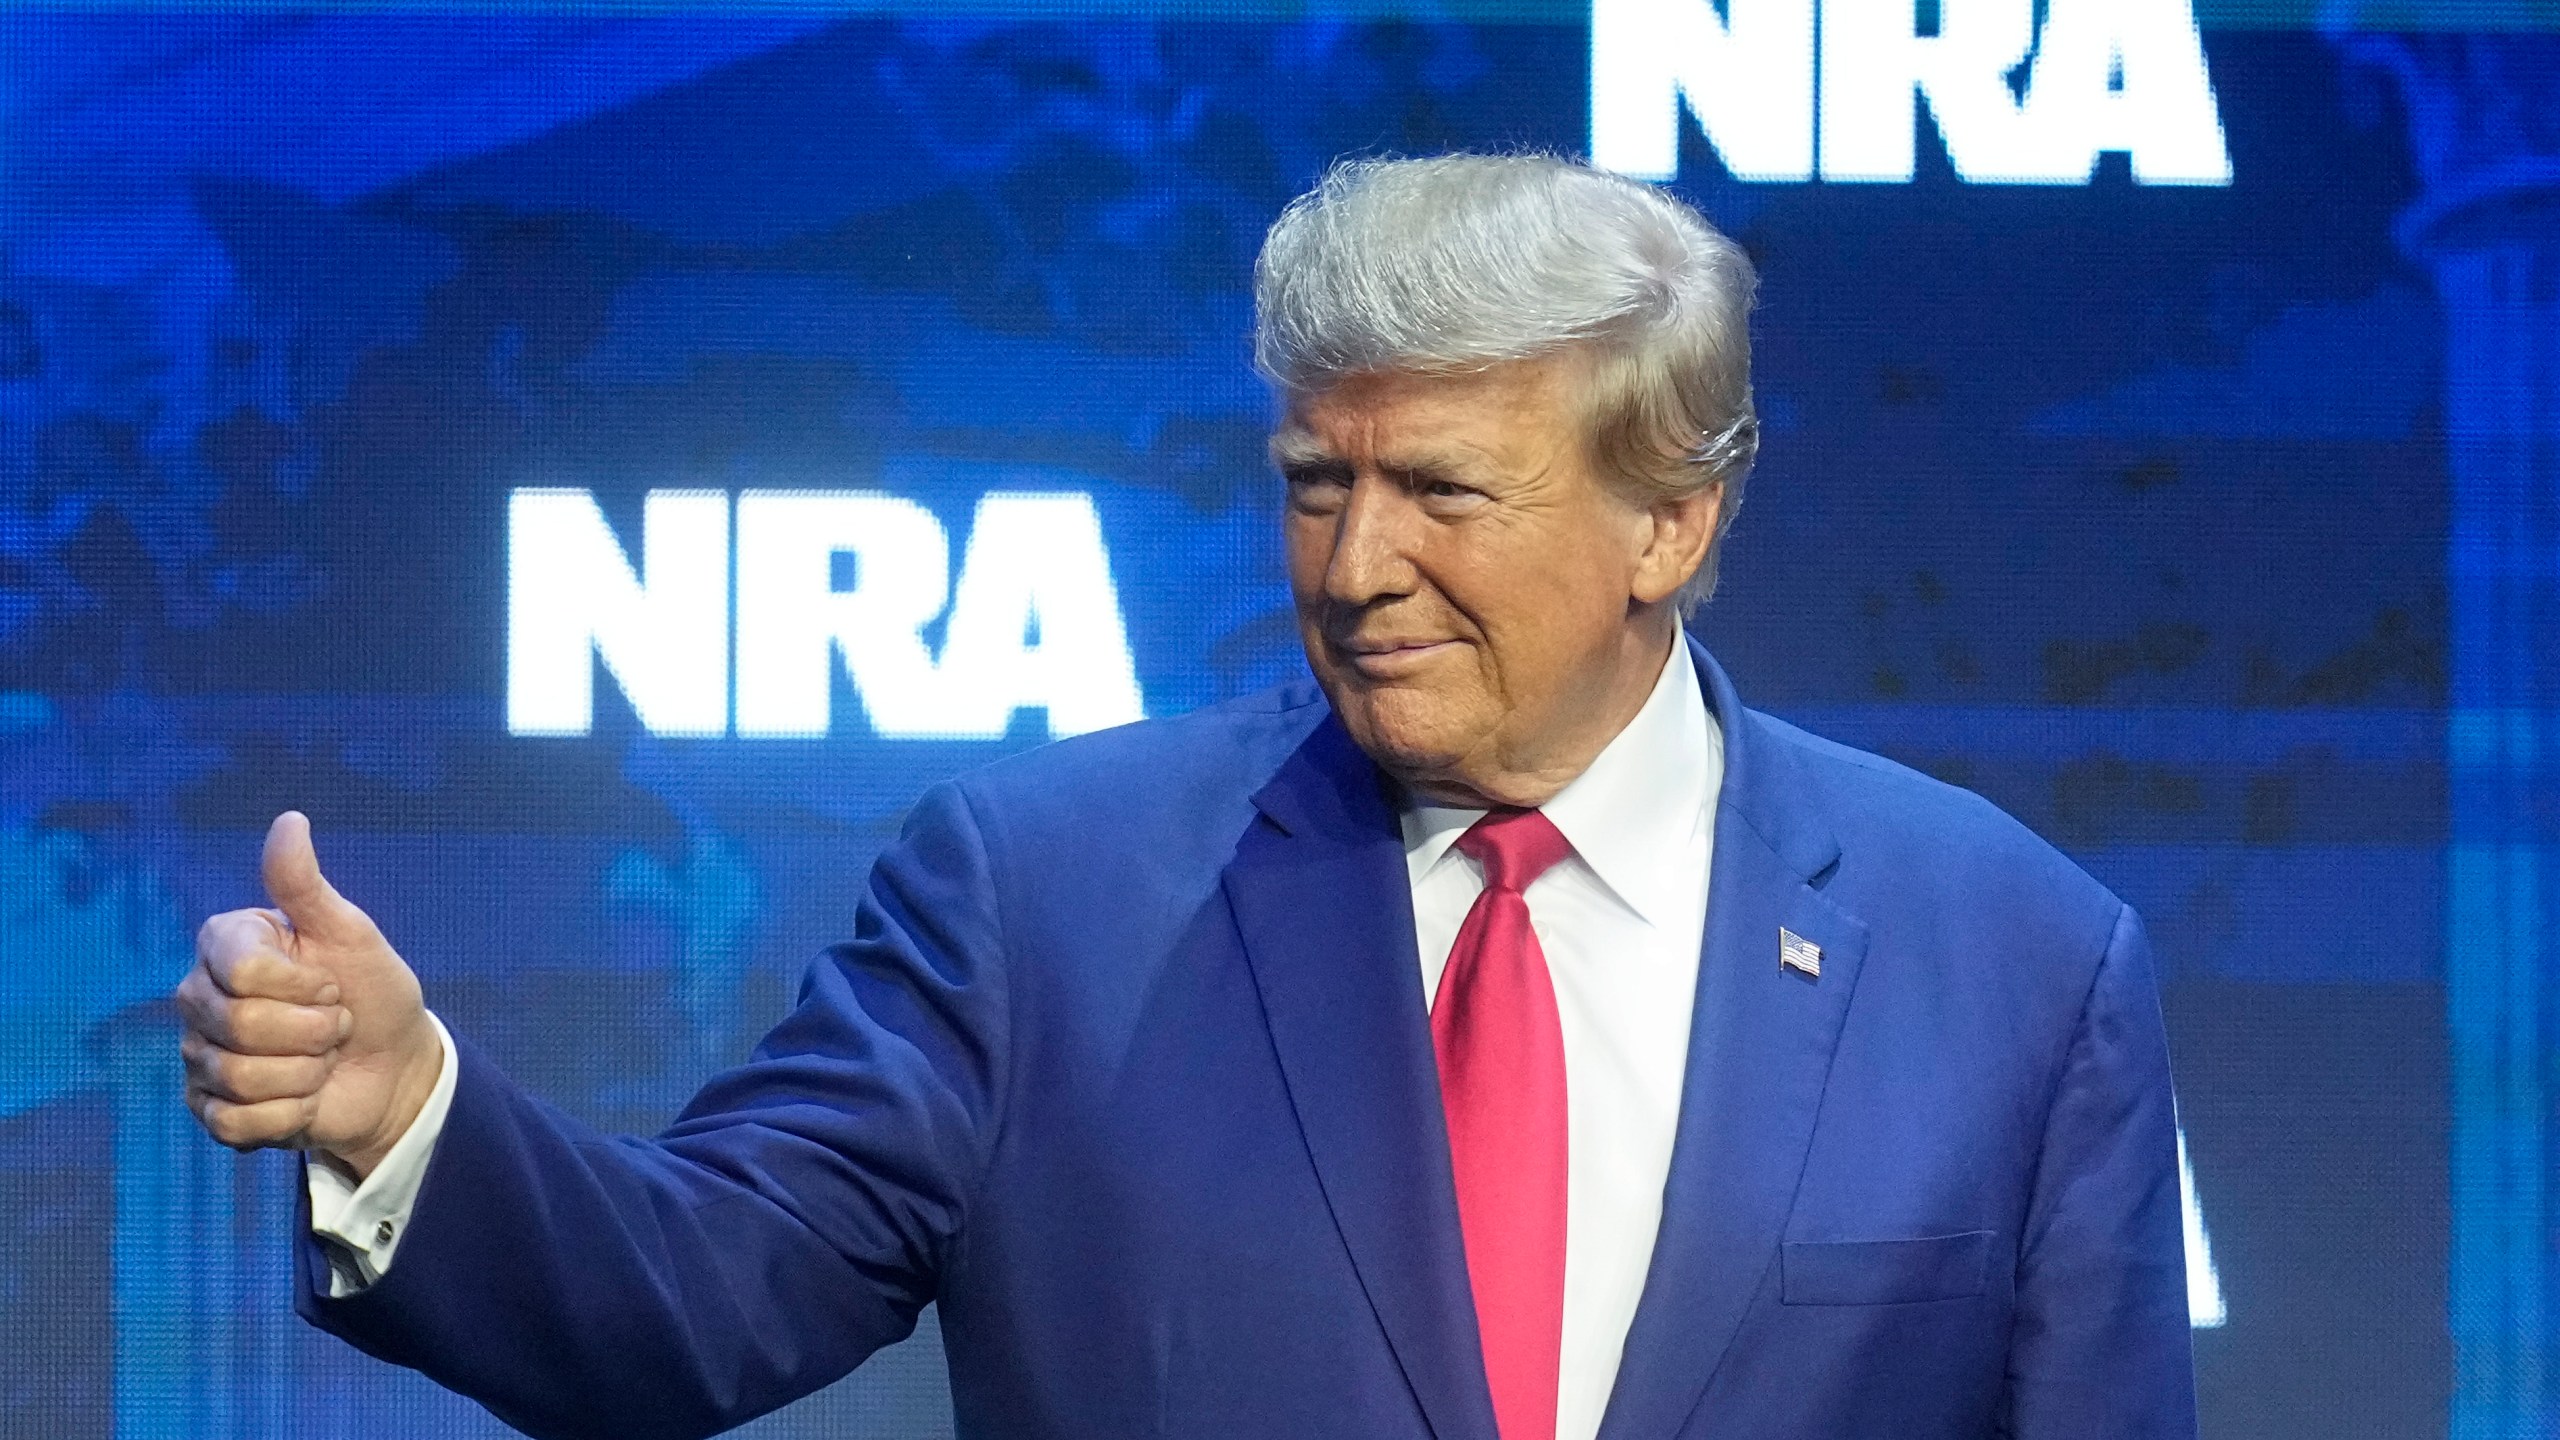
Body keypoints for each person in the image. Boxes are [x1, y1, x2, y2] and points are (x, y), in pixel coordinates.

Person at [174, 154, 2195, 1440]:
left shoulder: (2006, 955)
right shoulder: (1043, 895)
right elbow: (687, 1298)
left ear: (1669, 521)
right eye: (1317, 484)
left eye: (1439, 494)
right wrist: (404, 1116)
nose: (1351, 564)